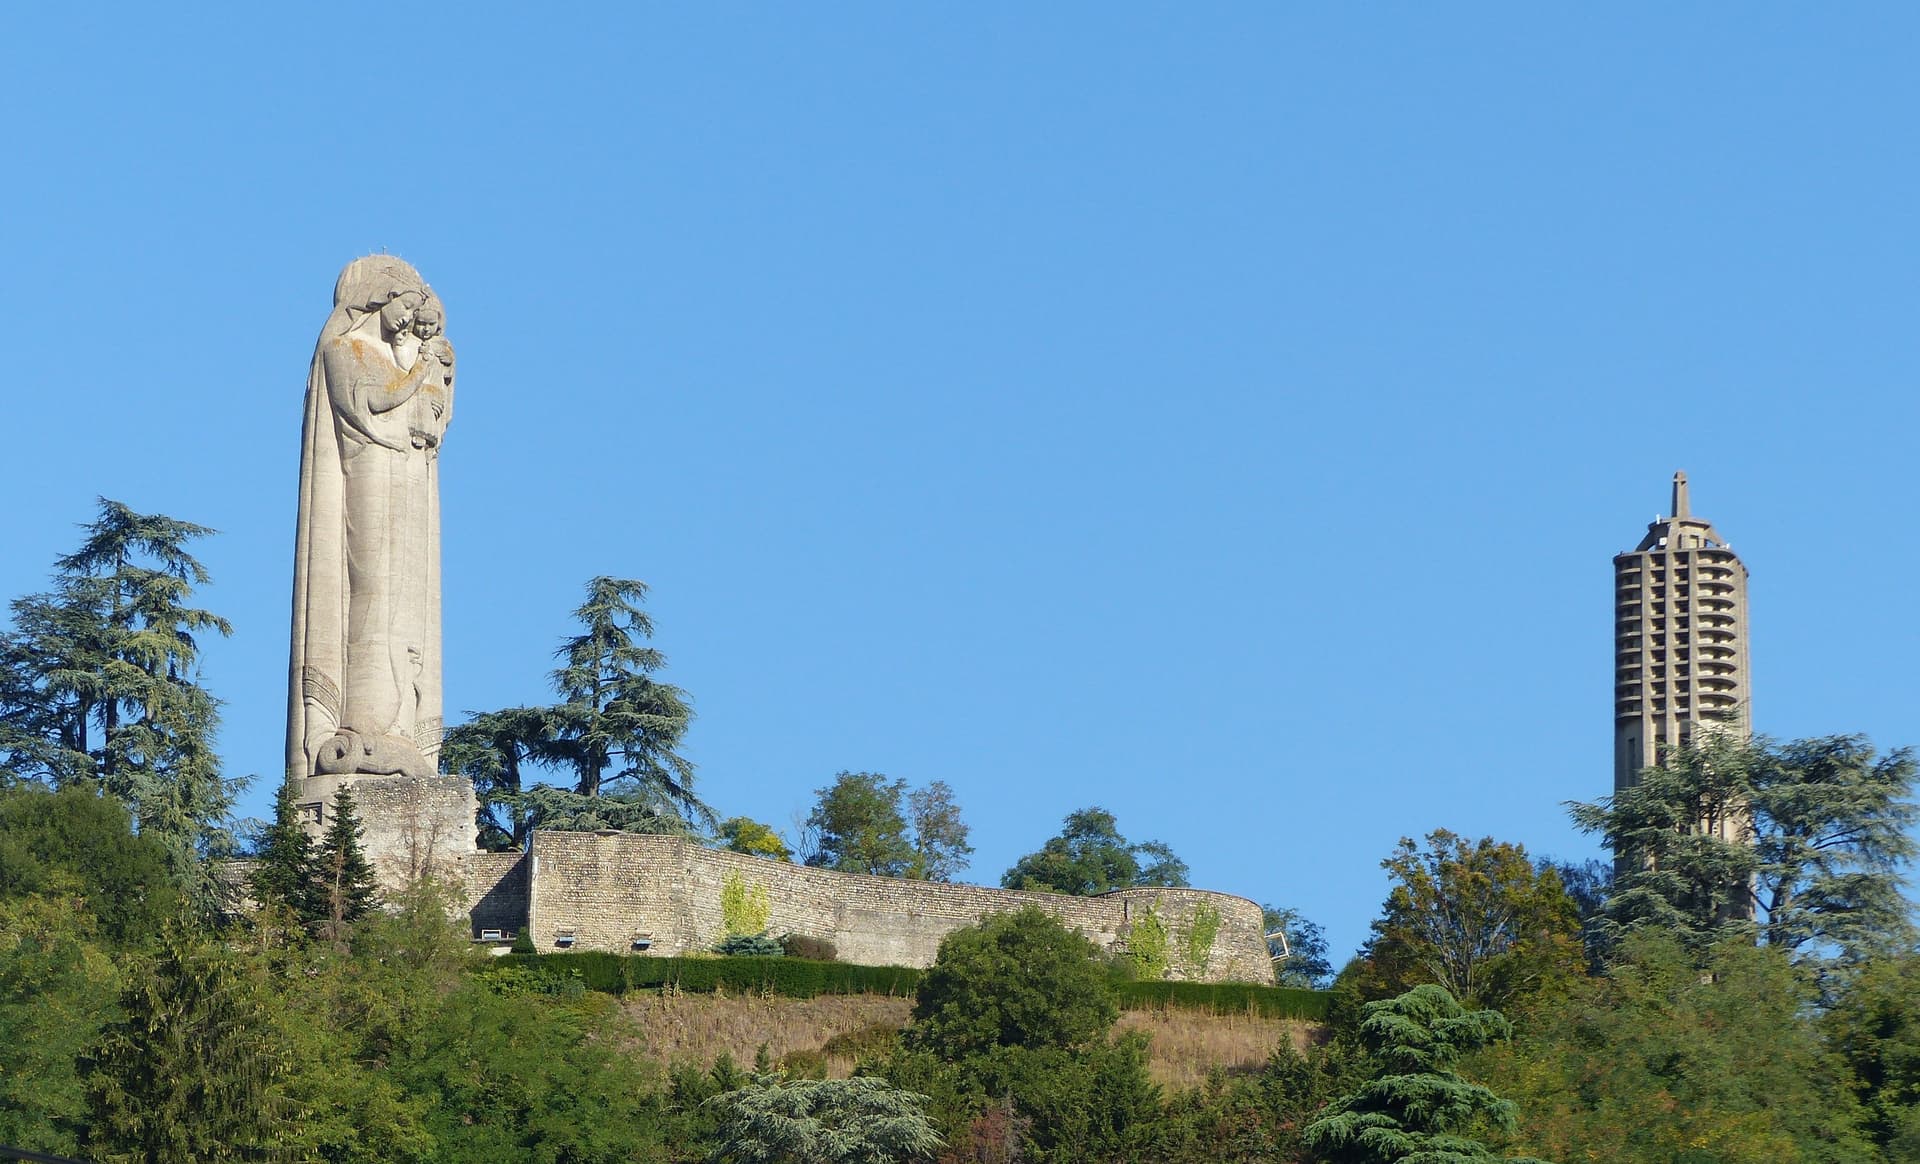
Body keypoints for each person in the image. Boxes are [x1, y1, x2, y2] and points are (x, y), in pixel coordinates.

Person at [288, 257, 450, 781]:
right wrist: (417, 373)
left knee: (408, 602)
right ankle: (361, 723)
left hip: (406, 479)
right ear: (377, 299)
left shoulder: (402, 353)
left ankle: (400, 728)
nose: (406, 320)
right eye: (401, 306)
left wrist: (436, 379)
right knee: (373, 593)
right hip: (369, 476)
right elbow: (373, 403)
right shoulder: (344, 349)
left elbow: (429, 427)